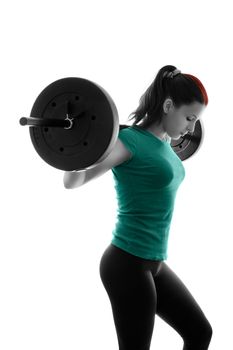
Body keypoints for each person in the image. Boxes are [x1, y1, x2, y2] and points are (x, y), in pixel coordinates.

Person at [63, 65, 213, 350]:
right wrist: (73, 142)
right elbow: (76, 180)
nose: (191, 128)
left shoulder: (167, 142)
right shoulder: (128, 142)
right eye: (189, 118)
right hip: (126, 264)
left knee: (199, 333)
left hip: (153, 263)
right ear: (168, 106)